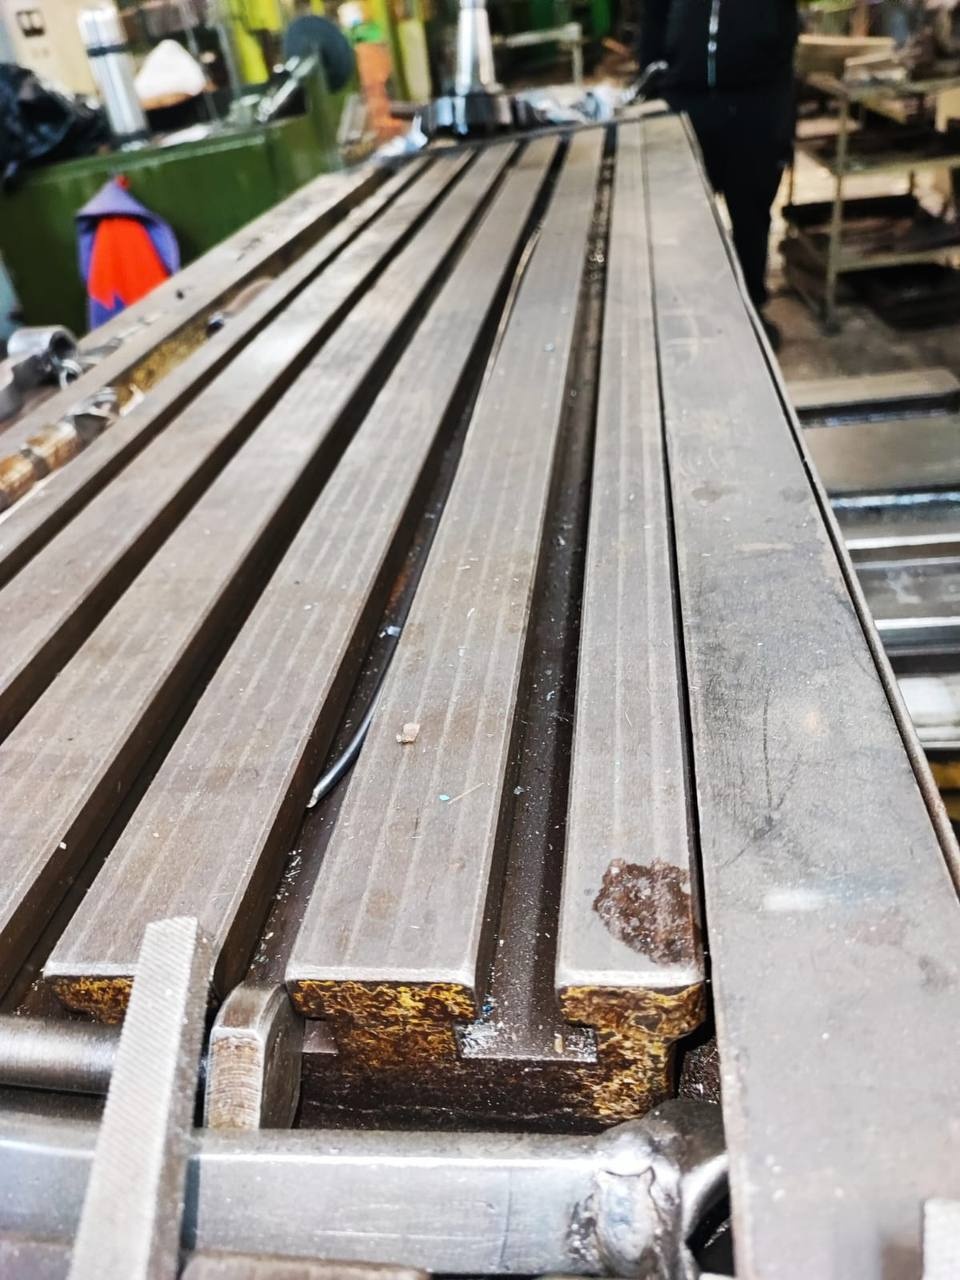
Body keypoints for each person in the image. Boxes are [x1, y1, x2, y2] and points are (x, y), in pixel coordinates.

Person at [639, 1, 799, 346]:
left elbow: (786, 26)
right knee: (685, 221)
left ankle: (750, 314)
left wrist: (781, 114)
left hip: (756, 104)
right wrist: (653, 79)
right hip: (686, 102)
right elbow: (653, 14)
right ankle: (689, 316)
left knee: (751, 217)